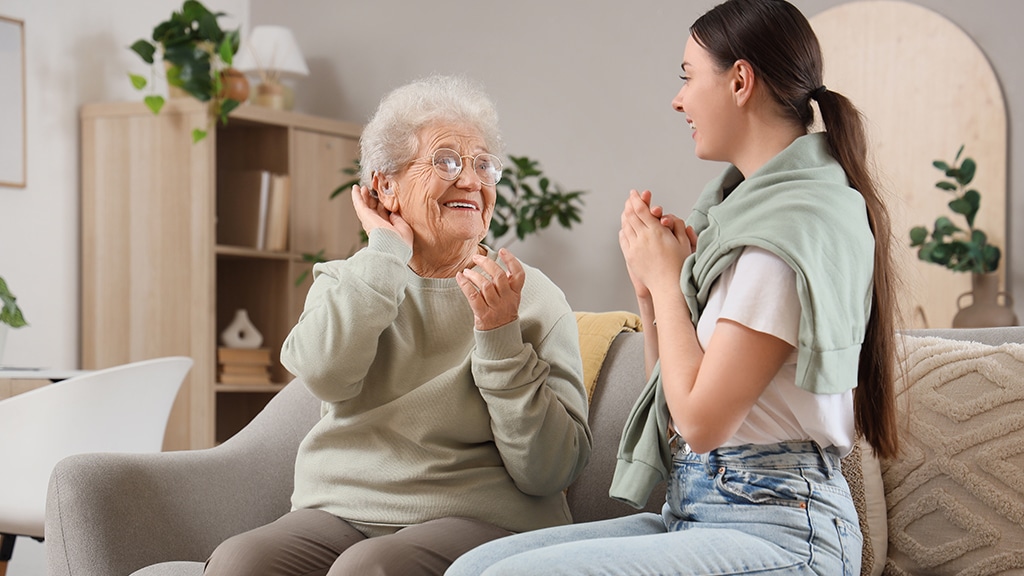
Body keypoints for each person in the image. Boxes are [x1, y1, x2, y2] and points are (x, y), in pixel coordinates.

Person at [445, 0, 899, 574]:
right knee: (469, 569)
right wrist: (650, 289)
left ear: (740, 80)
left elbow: (702, 425)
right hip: (699, 511)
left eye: (687, 76)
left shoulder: (789, 232)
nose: (678, 99)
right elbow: (675, 402)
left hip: (783, 530)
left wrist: (666, 282)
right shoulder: (745, 223)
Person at [204, 75, 592, 576]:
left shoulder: (530, 296)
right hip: (345, 511)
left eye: (483, 166)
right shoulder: (347, 281)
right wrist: (386, 253)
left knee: (372, 568)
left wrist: (500, 337)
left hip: (483, 517)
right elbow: (325, 375)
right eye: (447, 161)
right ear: (386, 186)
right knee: (241, 561)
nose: (472, 181)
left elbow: (551, 471)